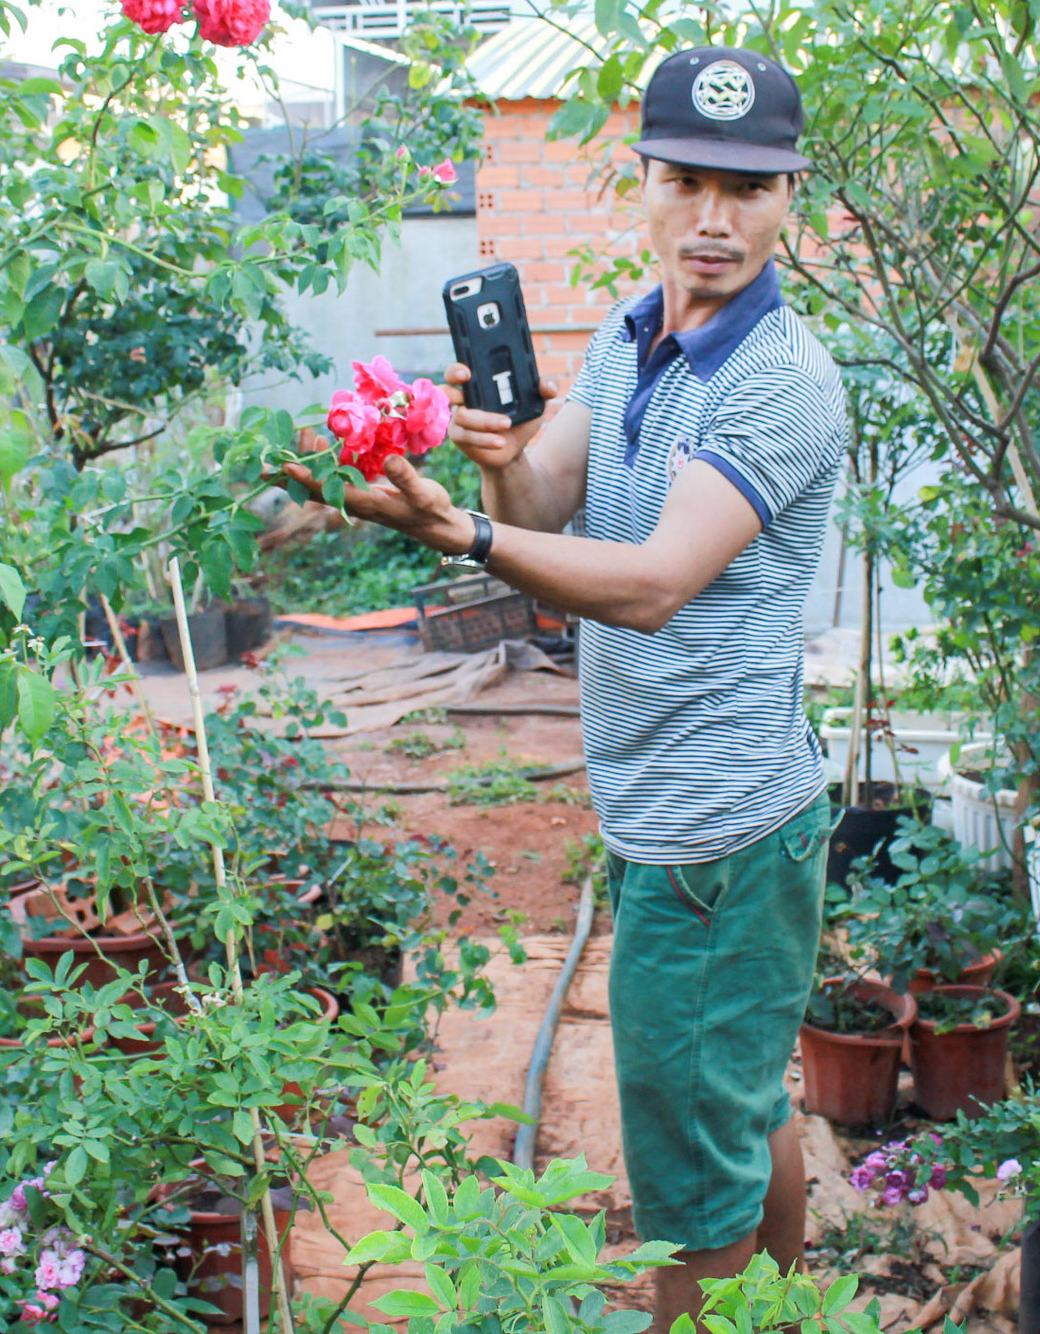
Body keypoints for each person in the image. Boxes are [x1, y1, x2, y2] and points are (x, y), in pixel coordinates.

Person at [283, 47, 846, 1331]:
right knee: (744, 1098)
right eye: (686, 180)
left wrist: (462, 543)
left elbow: (650, 582)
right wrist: (491, 468)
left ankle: (728, 1310)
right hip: (696, 815)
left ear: (787, 203)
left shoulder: (782, 382)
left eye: (745, 191)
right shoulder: (631, 333)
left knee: (687, 1188)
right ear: (640, 182)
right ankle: (786, 1310)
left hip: (713, 835)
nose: (713, 217)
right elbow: (546, 503)